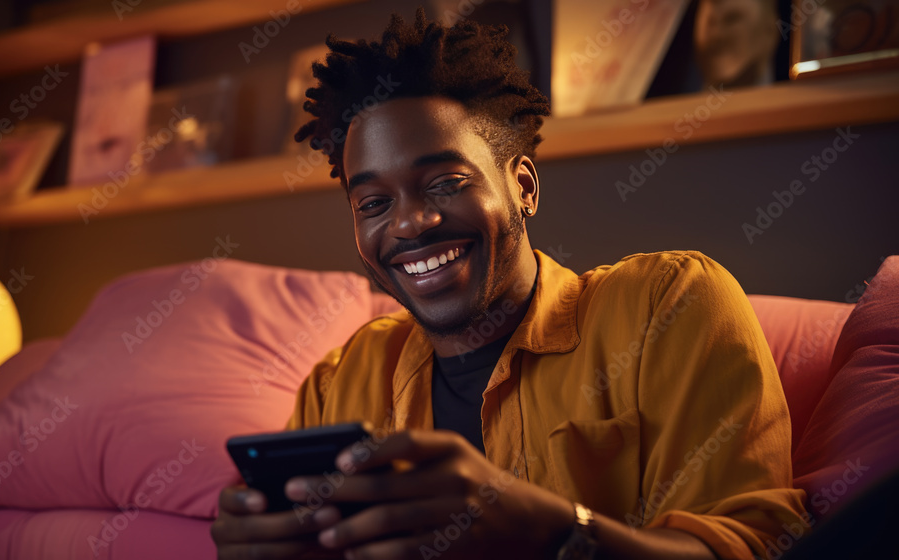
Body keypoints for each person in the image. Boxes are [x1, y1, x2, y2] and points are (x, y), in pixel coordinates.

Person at [211, 10, 807, 559]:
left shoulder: (666, 305)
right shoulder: (339, 382)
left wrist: (554, 531)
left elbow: (755, 546)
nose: (409, 223)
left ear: (523, 186)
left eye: (444, 182)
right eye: (372, 202)